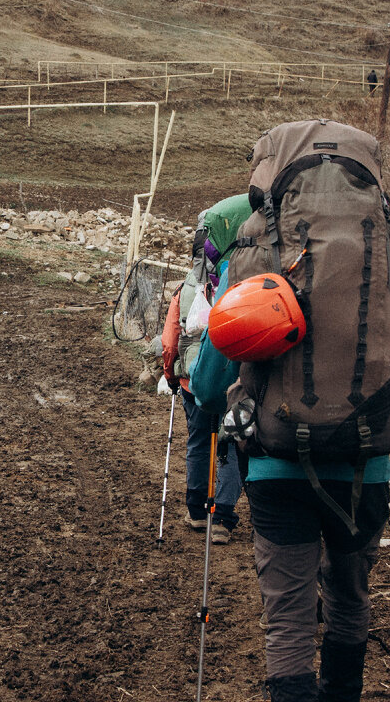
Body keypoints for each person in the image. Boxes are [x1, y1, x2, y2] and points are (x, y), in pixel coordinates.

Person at [190, 120, 390, 702]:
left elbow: (208, 382)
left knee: (289, 619)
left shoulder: (253, 256)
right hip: (364, 467)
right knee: (350, 601)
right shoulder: (378, 264)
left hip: (276, 468)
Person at [163, 195, 253, 545]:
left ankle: (197, 510)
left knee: (199, 440)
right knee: (230, 442)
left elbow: (171, 336)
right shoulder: (242, 279)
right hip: (232, 379)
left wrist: (170, 374)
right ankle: (223, 517)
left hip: (191, 381)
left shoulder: (186, 285)